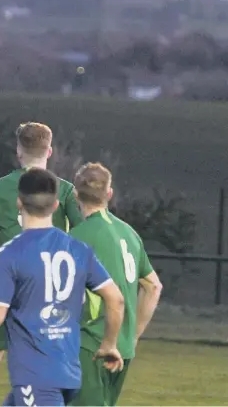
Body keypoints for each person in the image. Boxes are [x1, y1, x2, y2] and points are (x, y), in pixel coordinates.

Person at [0, 167, 126, 407]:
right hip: (69, 373)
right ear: (55, 206)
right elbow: (115, 298)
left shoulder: (8, 254)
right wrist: (110, 344)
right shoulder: (78, 249)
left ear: (19, 203)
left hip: (35, 376)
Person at [0, 122, 84, 406]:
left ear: (18, 151)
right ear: (50, 151)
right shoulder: (63, 190)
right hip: (44, 287)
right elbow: (82, 234)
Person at [67, 162, 163, 406]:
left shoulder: (77, 238)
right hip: (123, 349)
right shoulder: (129, 233)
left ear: (76, 195)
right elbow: (153, 287)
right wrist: (132, 337)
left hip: (91, 345)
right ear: (109, 194)